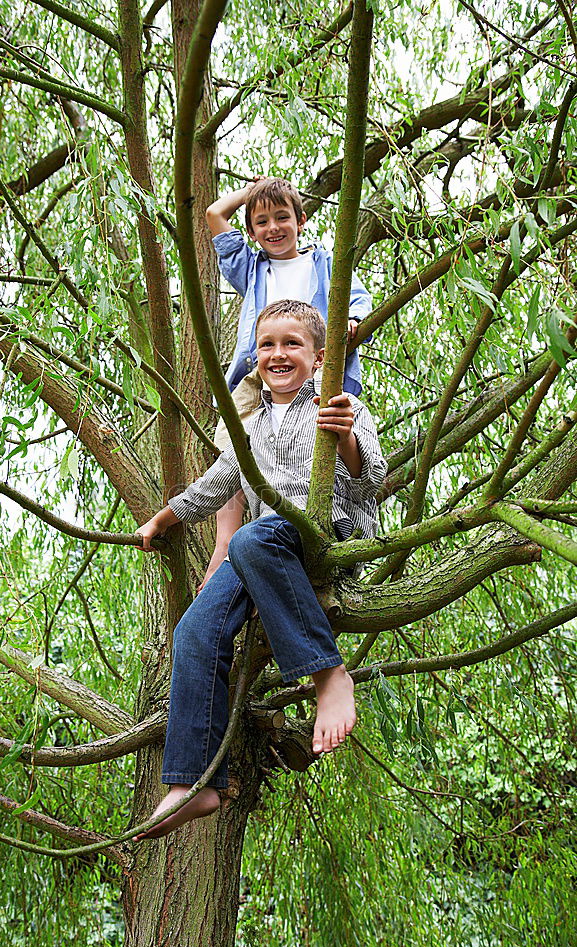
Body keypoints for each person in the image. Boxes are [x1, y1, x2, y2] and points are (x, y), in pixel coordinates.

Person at [134, 301, 387, 839]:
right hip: (262, 548)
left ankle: (327, 673)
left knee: (251, 538)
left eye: (292, 343)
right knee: (195, 631)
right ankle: (194, 780)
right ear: (254, 357)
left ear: (320, 357)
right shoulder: (247, 424)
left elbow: (373, 484)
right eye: (267, 344)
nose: (278, 354)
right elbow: (219, 481)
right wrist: (166, 516)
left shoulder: (339, 404)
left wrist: (344, 439)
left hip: (323, 528)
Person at [201, 176, 373, 590]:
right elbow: (213, 215)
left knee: (313, 441)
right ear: (252, 230)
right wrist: (255, 190)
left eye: (282, 217)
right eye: (261, 222)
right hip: (255, 371)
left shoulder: (324, 262)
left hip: (314, 370)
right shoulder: (251, 267)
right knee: (232, 448)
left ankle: (307, 524)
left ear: (302, 220)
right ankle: (226, 543)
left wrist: (352, 323)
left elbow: (360, 303)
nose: (273, 228)